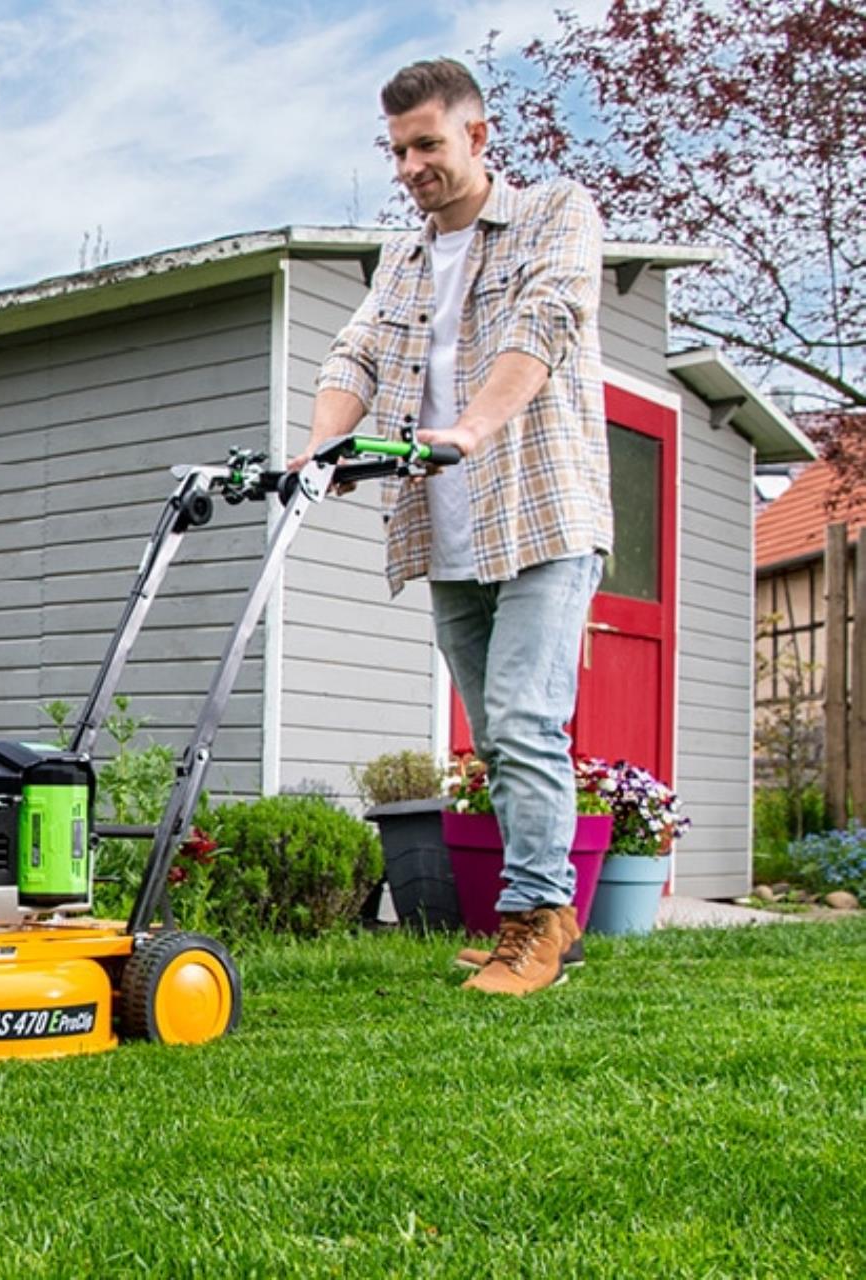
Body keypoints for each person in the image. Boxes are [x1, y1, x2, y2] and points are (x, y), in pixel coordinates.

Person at [292, 58, 611, 995]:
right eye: (396, 151)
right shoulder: (403, 257)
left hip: (541, 513)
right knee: (497, 734)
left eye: (425, 144)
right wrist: (318, 450)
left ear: (476, 136)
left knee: (522, 718)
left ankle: (532, 924)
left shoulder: (554, 212)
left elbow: (545, 324)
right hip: (445, 529)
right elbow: (355, 353)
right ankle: (551, 923)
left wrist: (469, 429)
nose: (408, 168)